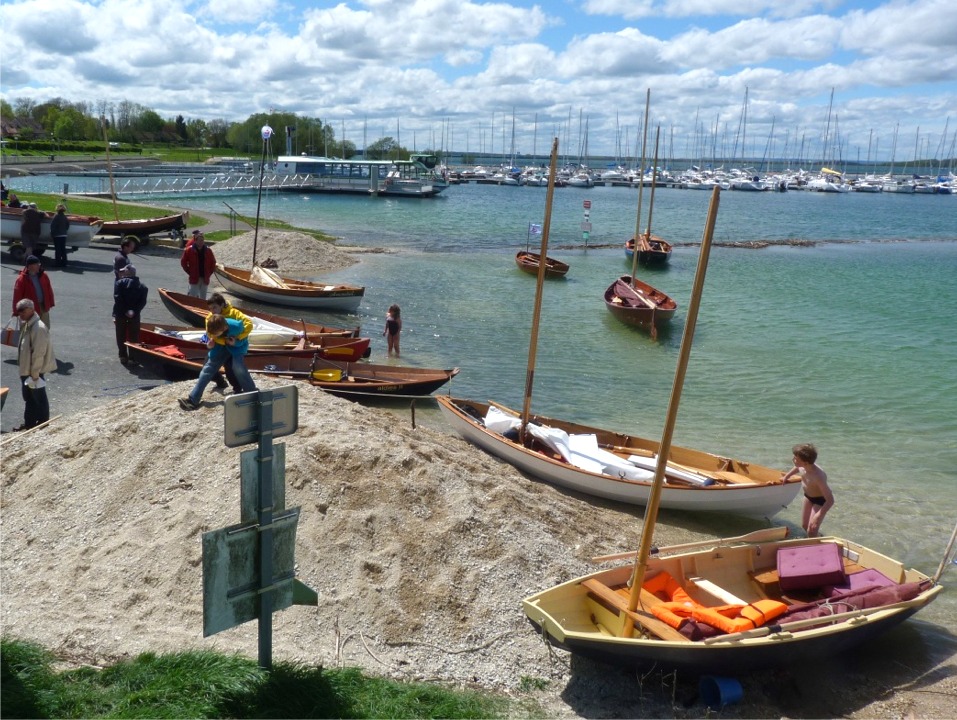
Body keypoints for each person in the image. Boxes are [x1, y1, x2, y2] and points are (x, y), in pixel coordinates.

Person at [178, 313, 257, 411]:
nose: (213, 335)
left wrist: (236, 342)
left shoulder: (236, 326)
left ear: (224, 328)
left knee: (238, 368)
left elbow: (244, 340)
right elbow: (209, 338)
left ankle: (252, 393)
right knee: (207, 370)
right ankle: (193, 400)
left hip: (237, 348)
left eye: (215, 334)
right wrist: (209, 345)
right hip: (220, 348)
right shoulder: (213, 329)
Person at [14, 298, 56, 431]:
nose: (20, 314)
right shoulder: (28, 324)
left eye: (23, 311)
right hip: (27, 370)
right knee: (30, 399)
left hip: (33, 372)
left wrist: (35, 373)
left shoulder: (38, 328)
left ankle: (43, 424)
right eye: (19, 311)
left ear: (32, 310)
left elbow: (38, 353)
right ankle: (30, 424)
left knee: (39, 398)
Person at [782, 443, 834, 538]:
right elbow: (797, 468)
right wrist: (787, 476)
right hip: (808, 497)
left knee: (812, 529)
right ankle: (819, 537)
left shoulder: (818, 476)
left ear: (805, 462)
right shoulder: (803, 466)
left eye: (796, 459)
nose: (793, 460)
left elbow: (830, 500)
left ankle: (817, 547)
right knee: (805, 526)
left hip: (821, 500)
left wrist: (818, 515)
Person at [206, 293, 254, 393]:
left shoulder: (234, 313)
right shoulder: (210, 317)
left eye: (214, 307)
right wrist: (220, 341)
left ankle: (238, 388)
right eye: (210, 308)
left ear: (222, 305)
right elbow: (209, 332)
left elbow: (249, 324)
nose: (212, 311)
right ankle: (220, 382)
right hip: (219, 346)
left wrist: (238, 338)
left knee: (230, 369)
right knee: (206, 366)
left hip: (233, 347)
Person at [113, 264, 148, 365]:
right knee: (134, 336)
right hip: (134, 315)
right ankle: (132, 358)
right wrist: (134, 311)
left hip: (120, 313)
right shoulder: (143, 287)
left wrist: (125, 311)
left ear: (128, 272)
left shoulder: (119, 283)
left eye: (124, 271)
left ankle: (123, 356)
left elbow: (117, 298)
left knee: (121, 335)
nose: (122, 272)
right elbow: (142, 302)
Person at [12, 255, 55, 328]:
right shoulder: (21, 280)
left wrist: (51, 302)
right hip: (29, 309)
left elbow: (49, 289)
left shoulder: (43, 275)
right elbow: (17, 296)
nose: (39, 266)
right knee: (30, 330)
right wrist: (16, 311)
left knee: (45, 328)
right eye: (37, 264)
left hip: (43, 306)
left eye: (39, 264)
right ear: (30, 267)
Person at [180, 230, 215, 299]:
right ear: (195, 241)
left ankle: (201, 309)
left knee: (203, 298)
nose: (201, 242)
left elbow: (213, 263)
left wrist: (209, 273)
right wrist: (189, 272)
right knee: (192, 297)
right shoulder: (189, 250)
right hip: (194, 277)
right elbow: (183, 262)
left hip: (205, 278)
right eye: (199, 240)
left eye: (202, 240)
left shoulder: (208, 250)